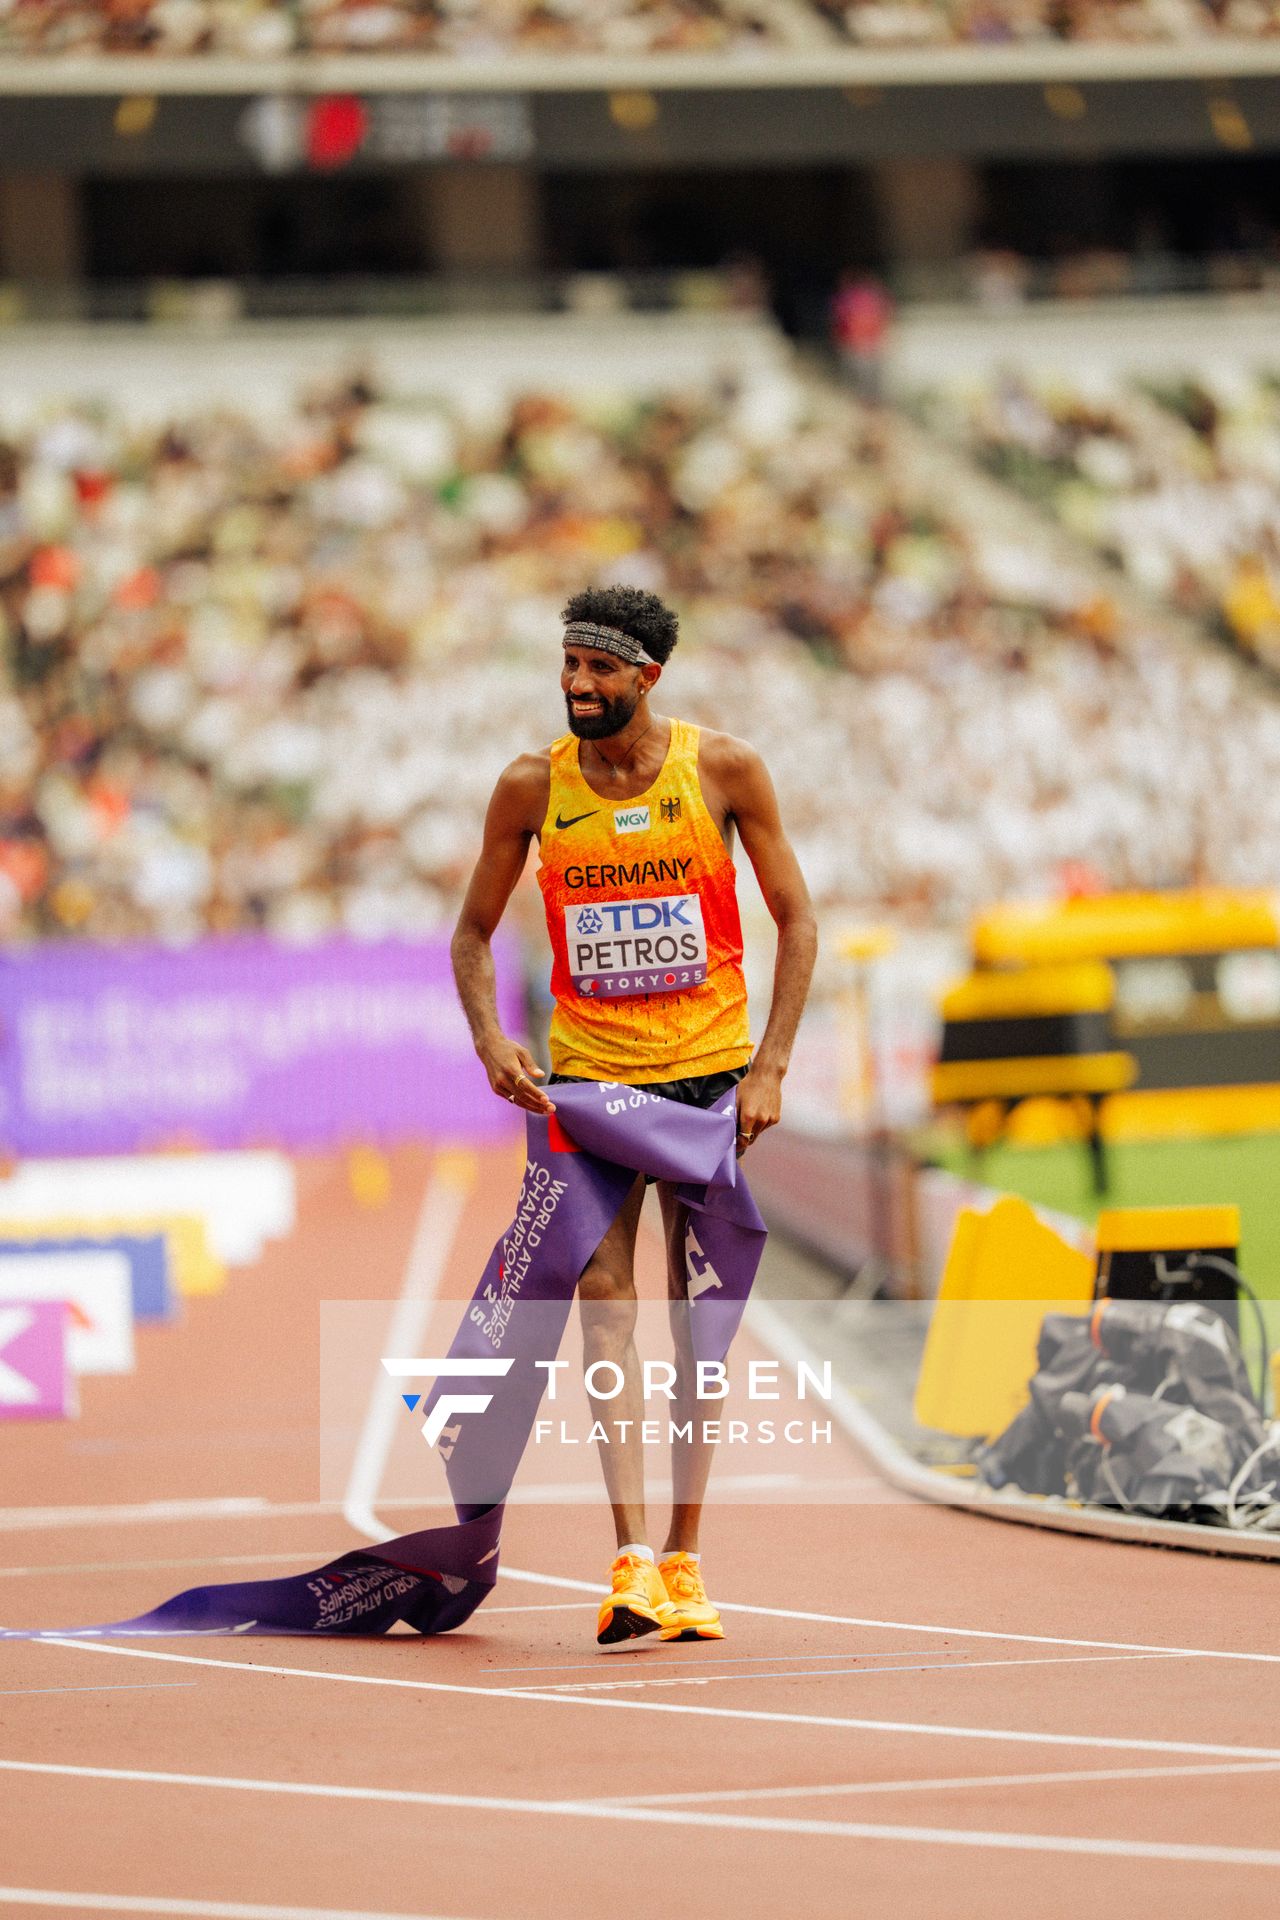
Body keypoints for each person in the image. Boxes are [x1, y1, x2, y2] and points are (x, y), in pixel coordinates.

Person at [451, 584, 816, 1646]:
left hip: (709, 1086)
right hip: (591, 1089)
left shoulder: (723, 772)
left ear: (644, 677)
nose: (575, 685)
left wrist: (771, 1064)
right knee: (602, 1304)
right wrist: (489, 1040)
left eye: (597, 670)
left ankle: (686, 1555)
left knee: (700, 1326)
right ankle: (625, 1562)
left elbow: (795, 920)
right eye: (567, 665)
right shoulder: (531, 788)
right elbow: (472, 935)